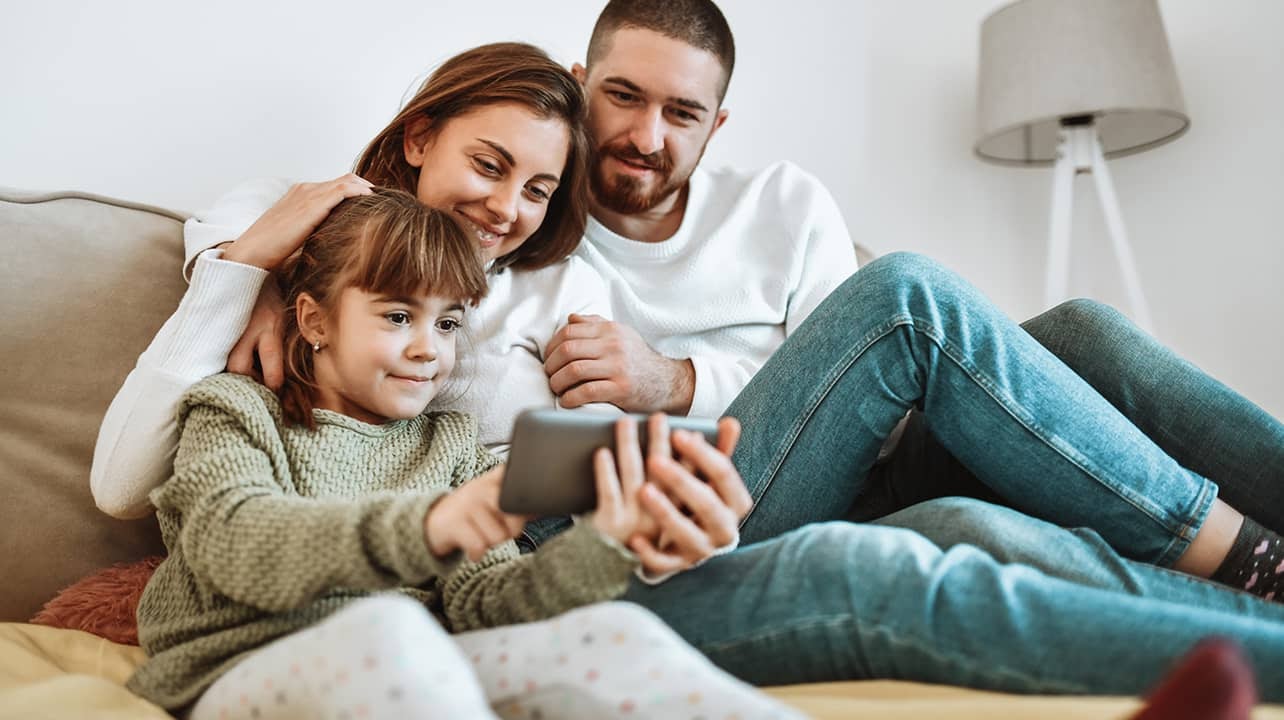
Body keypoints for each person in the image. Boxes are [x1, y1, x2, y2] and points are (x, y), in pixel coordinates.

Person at [91, 29, 1284, 702]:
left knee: (1067, 354)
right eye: (489, 167)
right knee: (910, 321)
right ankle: (1249, 566)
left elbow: (806, 382)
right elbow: (189, 497)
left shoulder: (546, 269)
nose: (510, 210)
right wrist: (244, 267)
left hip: (635, 499)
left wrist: (666, 394)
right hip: (566, 525)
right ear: (416, 137)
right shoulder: (292, 249)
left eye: (539, 186)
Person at [525, 0, 1284, 604]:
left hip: (877, 467)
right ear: (578, 81)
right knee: (902, 298)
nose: (647, 135)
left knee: (1084, 331)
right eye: (622, 97)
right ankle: (1249, 556)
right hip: (712, 507)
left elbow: (852, 381)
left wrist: (674, 381)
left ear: (716, 124)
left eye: (682, 113)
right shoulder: (524, 221)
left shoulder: (782, 204)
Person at [129, 188, 797, 720]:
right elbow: (235, 544)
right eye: (398, 317)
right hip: (230, 671)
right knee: (388, 628)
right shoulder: (234, 410)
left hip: (407, 667)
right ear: (314, 321)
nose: (430, 350)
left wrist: (609, 543)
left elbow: (488, 606)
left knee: (619, 634)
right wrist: (426, 528)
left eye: (447, 323)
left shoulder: (450, 448)